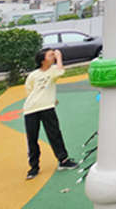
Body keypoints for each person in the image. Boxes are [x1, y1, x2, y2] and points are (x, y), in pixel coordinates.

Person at [23, 48, 79, 180]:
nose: (54, 56)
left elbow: (60, 72)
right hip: (31, 108)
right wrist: (44, 97)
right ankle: (34, 167)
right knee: (32, 138)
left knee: (54, 134)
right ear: (43, 60)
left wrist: (59, 57)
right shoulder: (33, 75)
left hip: (47, 107)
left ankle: (63, 160)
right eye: (51, 55)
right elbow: (29, 90)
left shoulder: (53, 69)